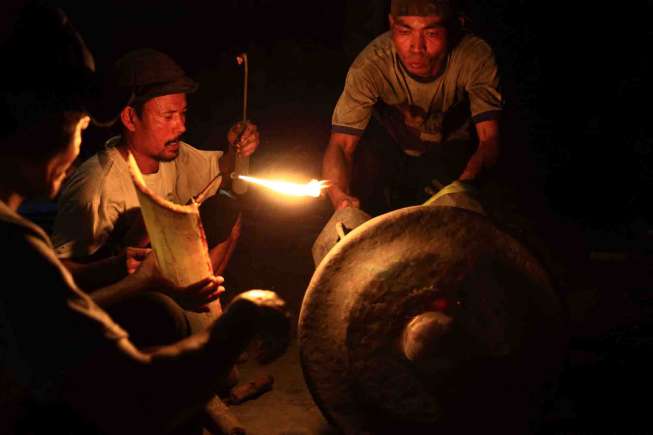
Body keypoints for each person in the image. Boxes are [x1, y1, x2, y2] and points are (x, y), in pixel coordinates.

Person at [0, 4, 287, 434]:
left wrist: (119, 266)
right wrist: (243, 317)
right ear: (35, 119)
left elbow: (52, 278)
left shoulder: (15, 236)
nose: (79, 144)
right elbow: (140, 391)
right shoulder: (23, 237)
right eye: (78, 124)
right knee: (159, 320)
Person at [51, 48, 259, 291]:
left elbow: (224, 172)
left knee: (228, 210)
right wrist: (116, 267)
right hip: (122, 307)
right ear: (130, 118)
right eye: (169, 116)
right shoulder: (96, 185)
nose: (181, 126)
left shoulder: (175, 156)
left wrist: (239, 147)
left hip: (172, 292)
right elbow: (56, 270)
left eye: (183, 113)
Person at [323, 0, 502, 215]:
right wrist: (339, 196)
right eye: (404, 31)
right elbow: (341, 145)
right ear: (391, 24)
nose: (417, 48)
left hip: (450, 147)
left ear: (455, 27)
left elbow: (489, 140)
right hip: (392, 147)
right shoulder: (370, 67)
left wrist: (462, 189)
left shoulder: (474, 57)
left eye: (431, 34)